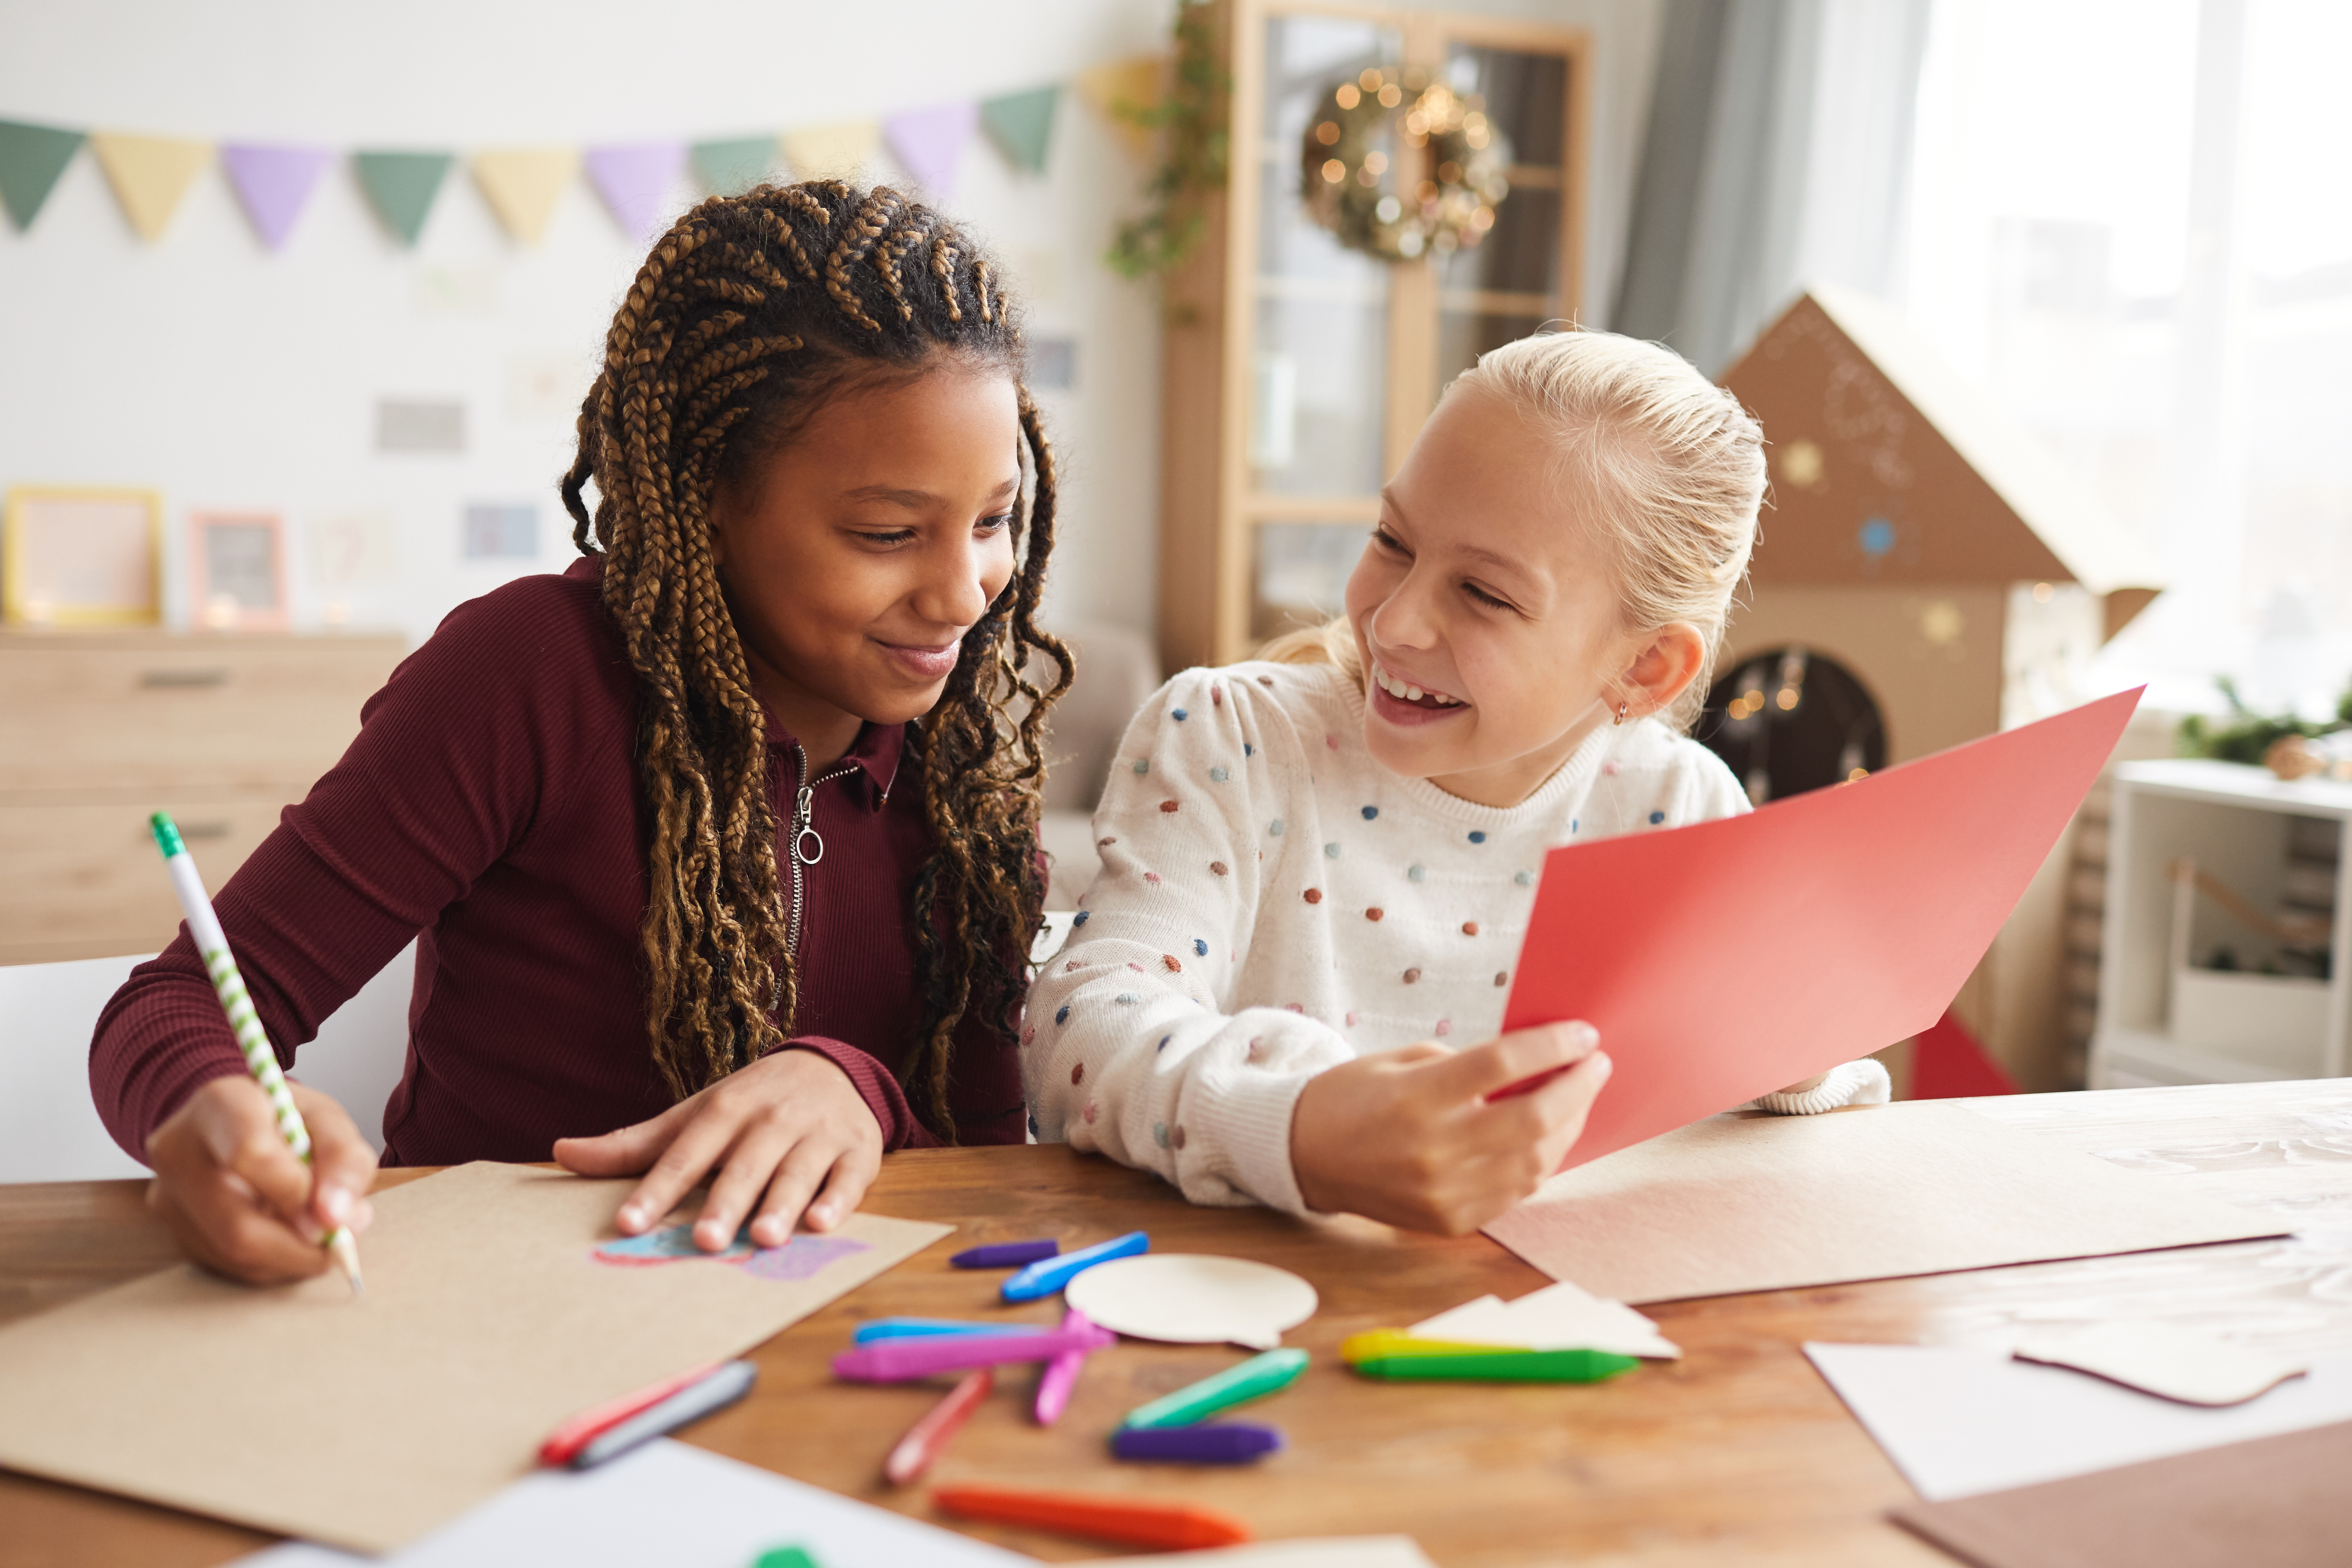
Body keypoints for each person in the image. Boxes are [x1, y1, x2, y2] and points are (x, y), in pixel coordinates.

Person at [91, 181, 1067, 1283]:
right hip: (482, 1317)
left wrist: (860, 1088)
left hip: (818, 1347)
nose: (963, 594)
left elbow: (992, 1176)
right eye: (888, 532)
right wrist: (210, 1107)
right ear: (703, 499)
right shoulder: (529, 679)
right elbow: (184, 1000)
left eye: (994, 521)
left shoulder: (972, 764)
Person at [1023, 328, 1886, 1234]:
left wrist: (1791, 1057)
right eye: (1393, 540)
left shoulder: (1682, 808)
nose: (1393, 623)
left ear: (1643, 670)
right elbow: (1078, 1031)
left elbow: (1786, 1133)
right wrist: (1297, 1128)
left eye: (1484, 594)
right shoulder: (1231, 738)